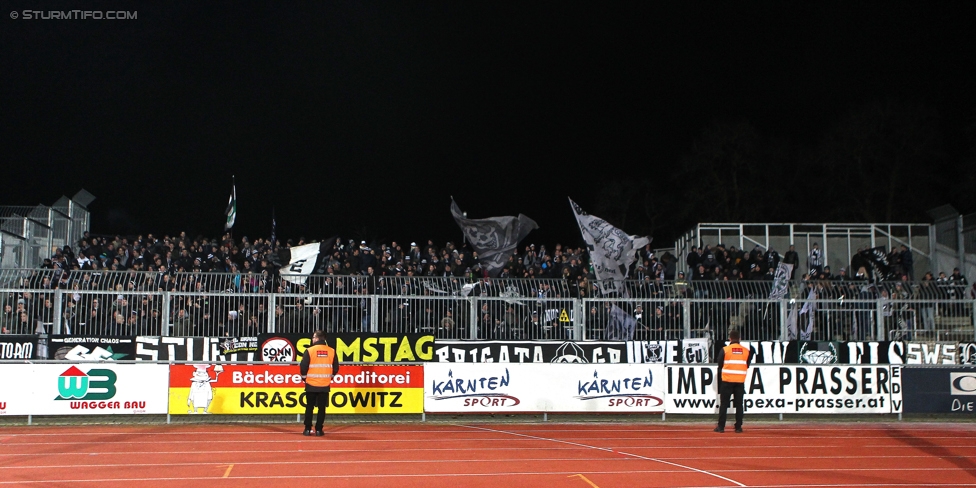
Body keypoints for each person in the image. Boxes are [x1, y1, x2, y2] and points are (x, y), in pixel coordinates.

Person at [300, 330, 339, 436]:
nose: (312, 339)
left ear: (317, 338)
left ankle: (307, 429)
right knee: (322, 408)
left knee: (309, 407)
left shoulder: (310, 350)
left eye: (313, 337)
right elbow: (336, 368)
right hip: (324, 385)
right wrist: (330, 377)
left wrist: (304, 378)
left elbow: (303, 366)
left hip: (311, 384)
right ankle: (319, 430)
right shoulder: (331, 351)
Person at [715, 328, 751, 433]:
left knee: (724, 404)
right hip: (740, 381)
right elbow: (747, 364)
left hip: (727, 380)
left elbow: (720, 363)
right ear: (739, 339)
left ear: (729, 338)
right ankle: (738, 427)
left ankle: (721, 427)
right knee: (739, 405)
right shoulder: (746, 351)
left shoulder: (725, 350)